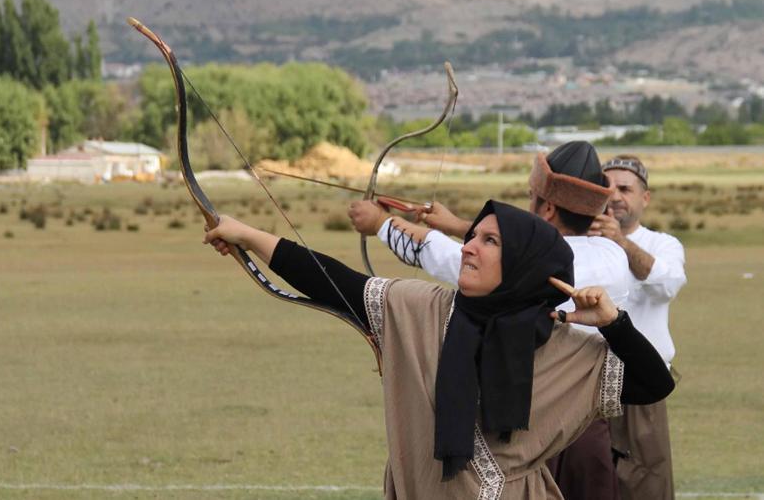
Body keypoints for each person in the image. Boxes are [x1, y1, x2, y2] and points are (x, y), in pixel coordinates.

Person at [204, 199, 675, 500]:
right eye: (472, 236)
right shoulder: (420, 309)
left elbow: (654, 385)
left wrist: (615, 325)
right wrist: (246, 233)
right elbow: (332, 282)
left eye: (490, 241)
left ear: (525, 264)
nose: (469, 248)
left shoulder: (564, 344)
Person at [349, 141, 630, 499]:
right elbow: (524, 245)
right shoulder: (613, 255)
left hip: (520, 426)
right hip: (583, 423)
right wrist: (458, 224)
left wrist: (381, 224)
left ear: (545, 207)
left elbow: (445, 255)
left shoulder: (522, 268)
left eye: (532, 196)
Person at [590, 155, 687, 500]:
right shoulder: (583, 242)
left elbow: (667, 284)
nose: (614, 195)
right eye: (607, 186)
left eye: (625, 188)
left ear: (644, 198)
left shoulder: (662, 244)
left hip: (641, 385)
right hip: (585, 385)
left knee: (645, 480)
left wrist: (621, 243)